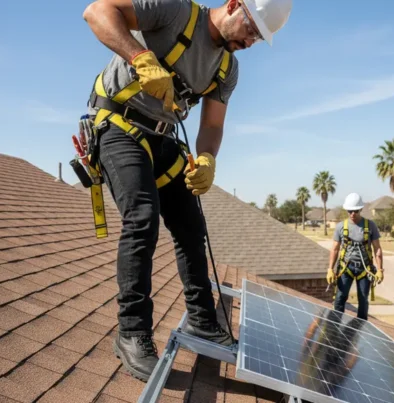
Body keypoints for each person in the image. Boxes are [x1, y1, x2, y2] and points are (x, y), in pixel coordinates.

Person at [81, 0, 292, 382]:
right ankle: (132, 333)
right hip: (117, 123)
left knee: (192, 227)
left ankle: (202, 320)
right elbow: (96, 11)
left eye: (260, 37)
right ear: (232, 5)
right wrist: (141, 57)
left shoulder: (228, 68)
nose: (252, 40)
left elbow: (212, 126)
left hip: (162, 140)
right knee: (142, 218)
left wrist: (208, 159)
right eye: (252, 28)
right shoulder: (174, 10)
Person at [326, 193, 384, 321]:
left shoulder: (370, 226)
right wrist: (330, 269)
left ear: (361, 209)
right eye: (350, 211)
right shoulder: (341, 226)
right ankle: (334, 326)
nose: (352, 214)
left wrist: (380, 270)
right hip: (346, 267)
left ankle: (360, 327)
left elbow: (377, 248)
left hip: (365, 269)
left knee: (363, 299)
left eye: (355, 211)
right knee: (340, 297)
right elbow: (335, 249)